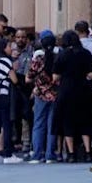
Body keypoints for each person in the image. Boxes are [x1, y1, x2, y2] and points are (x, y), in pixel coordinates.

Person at [53, 30, 92, 163]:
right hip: (83, 91)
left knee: (67, 123)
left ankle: (71, 154)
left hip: (66, 91)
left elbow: (55, 77)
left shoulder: (62, 55)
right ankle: (88, 152)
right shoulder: (86, 53)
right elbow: (91, 74)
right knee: (85, 122)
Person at [26, 30, 59, 163]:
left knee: (39, 123)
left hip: (41, 94)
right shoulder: (58, 56)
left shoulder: (38, 59)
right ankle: (50, 154)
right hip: (55, 94)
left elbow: (28, 78)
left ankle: (37, 154)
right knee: (52, 125)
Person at [0, 37, 21, 164]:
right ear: (3, 48)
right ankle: (8, 154)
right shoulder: (5, 61)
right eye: (8, 46)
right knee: (6, 124)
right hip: (4, 95)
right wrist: (14, 70)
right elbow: (14, 80)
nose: (10, 48)